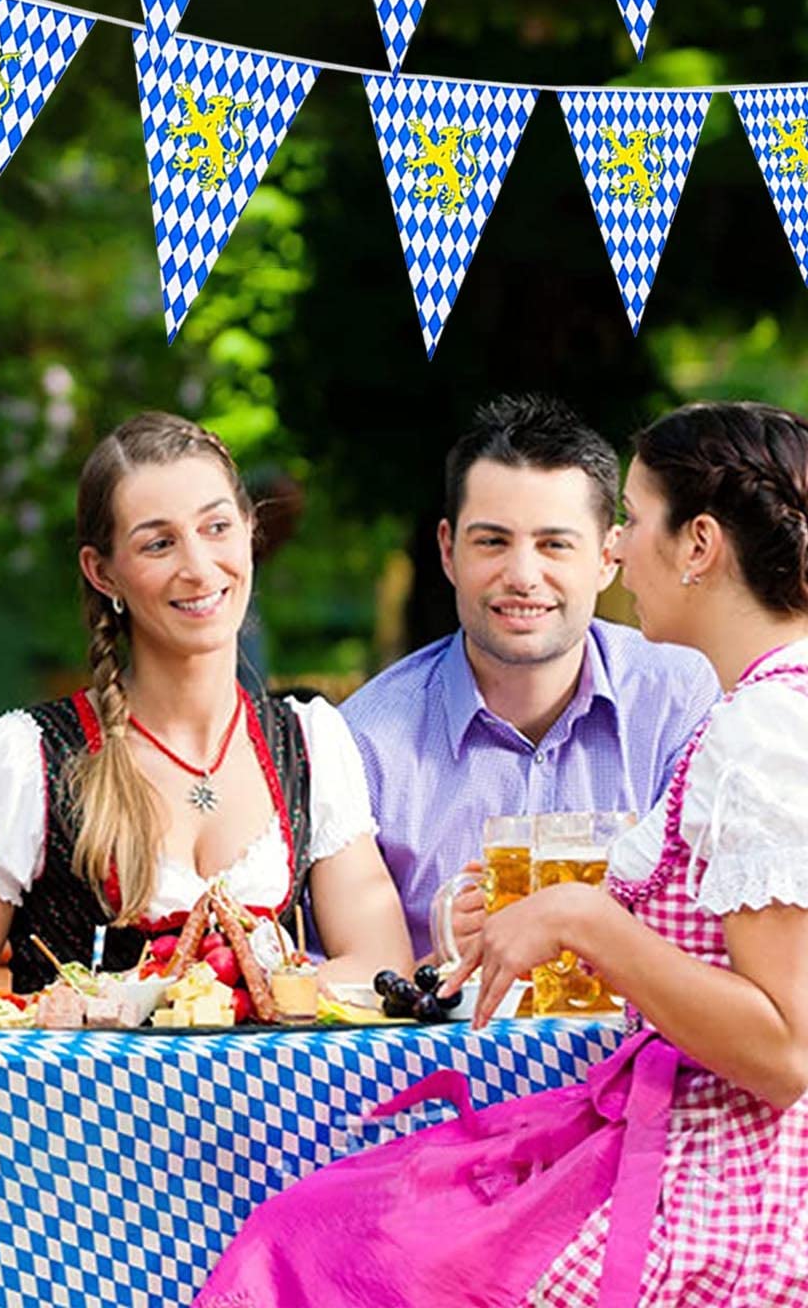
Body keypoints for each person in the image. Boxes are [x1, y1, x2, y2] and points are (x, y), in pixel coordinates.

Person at [195, 400, 808, 1308]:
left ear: (700, 545)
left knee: (334, 1241)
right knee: (332, 1218)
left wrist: (582, 917)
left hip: (732, 1185)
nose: (620, 553)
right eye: (493, 541)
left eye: (628, 524)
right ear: (448, 549)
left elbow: (788, 1050)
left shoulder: (763, 731)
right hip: (668, 1133)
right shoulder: (761, 707)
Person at [0, 412, 412, 992]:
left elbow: (380, 965)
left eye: (216, 528)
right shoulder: (23, 759)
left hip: (276, 1086)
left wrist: (233, 1004)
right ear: (102, 573)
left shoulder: (309, 742)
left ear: (248, 531)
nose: (197, 567)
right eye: (159, 543)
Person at [341, 394, 717, 955]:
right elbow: (321, 972)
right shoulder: (363, 742)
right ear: (448, 551)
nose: (522, 575)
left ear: (608, 557)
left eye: (554, 545)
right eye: (492, 542)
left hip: (645, 1037)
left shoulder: (682, 699)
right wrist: (431, 958)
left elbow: (718, 922)